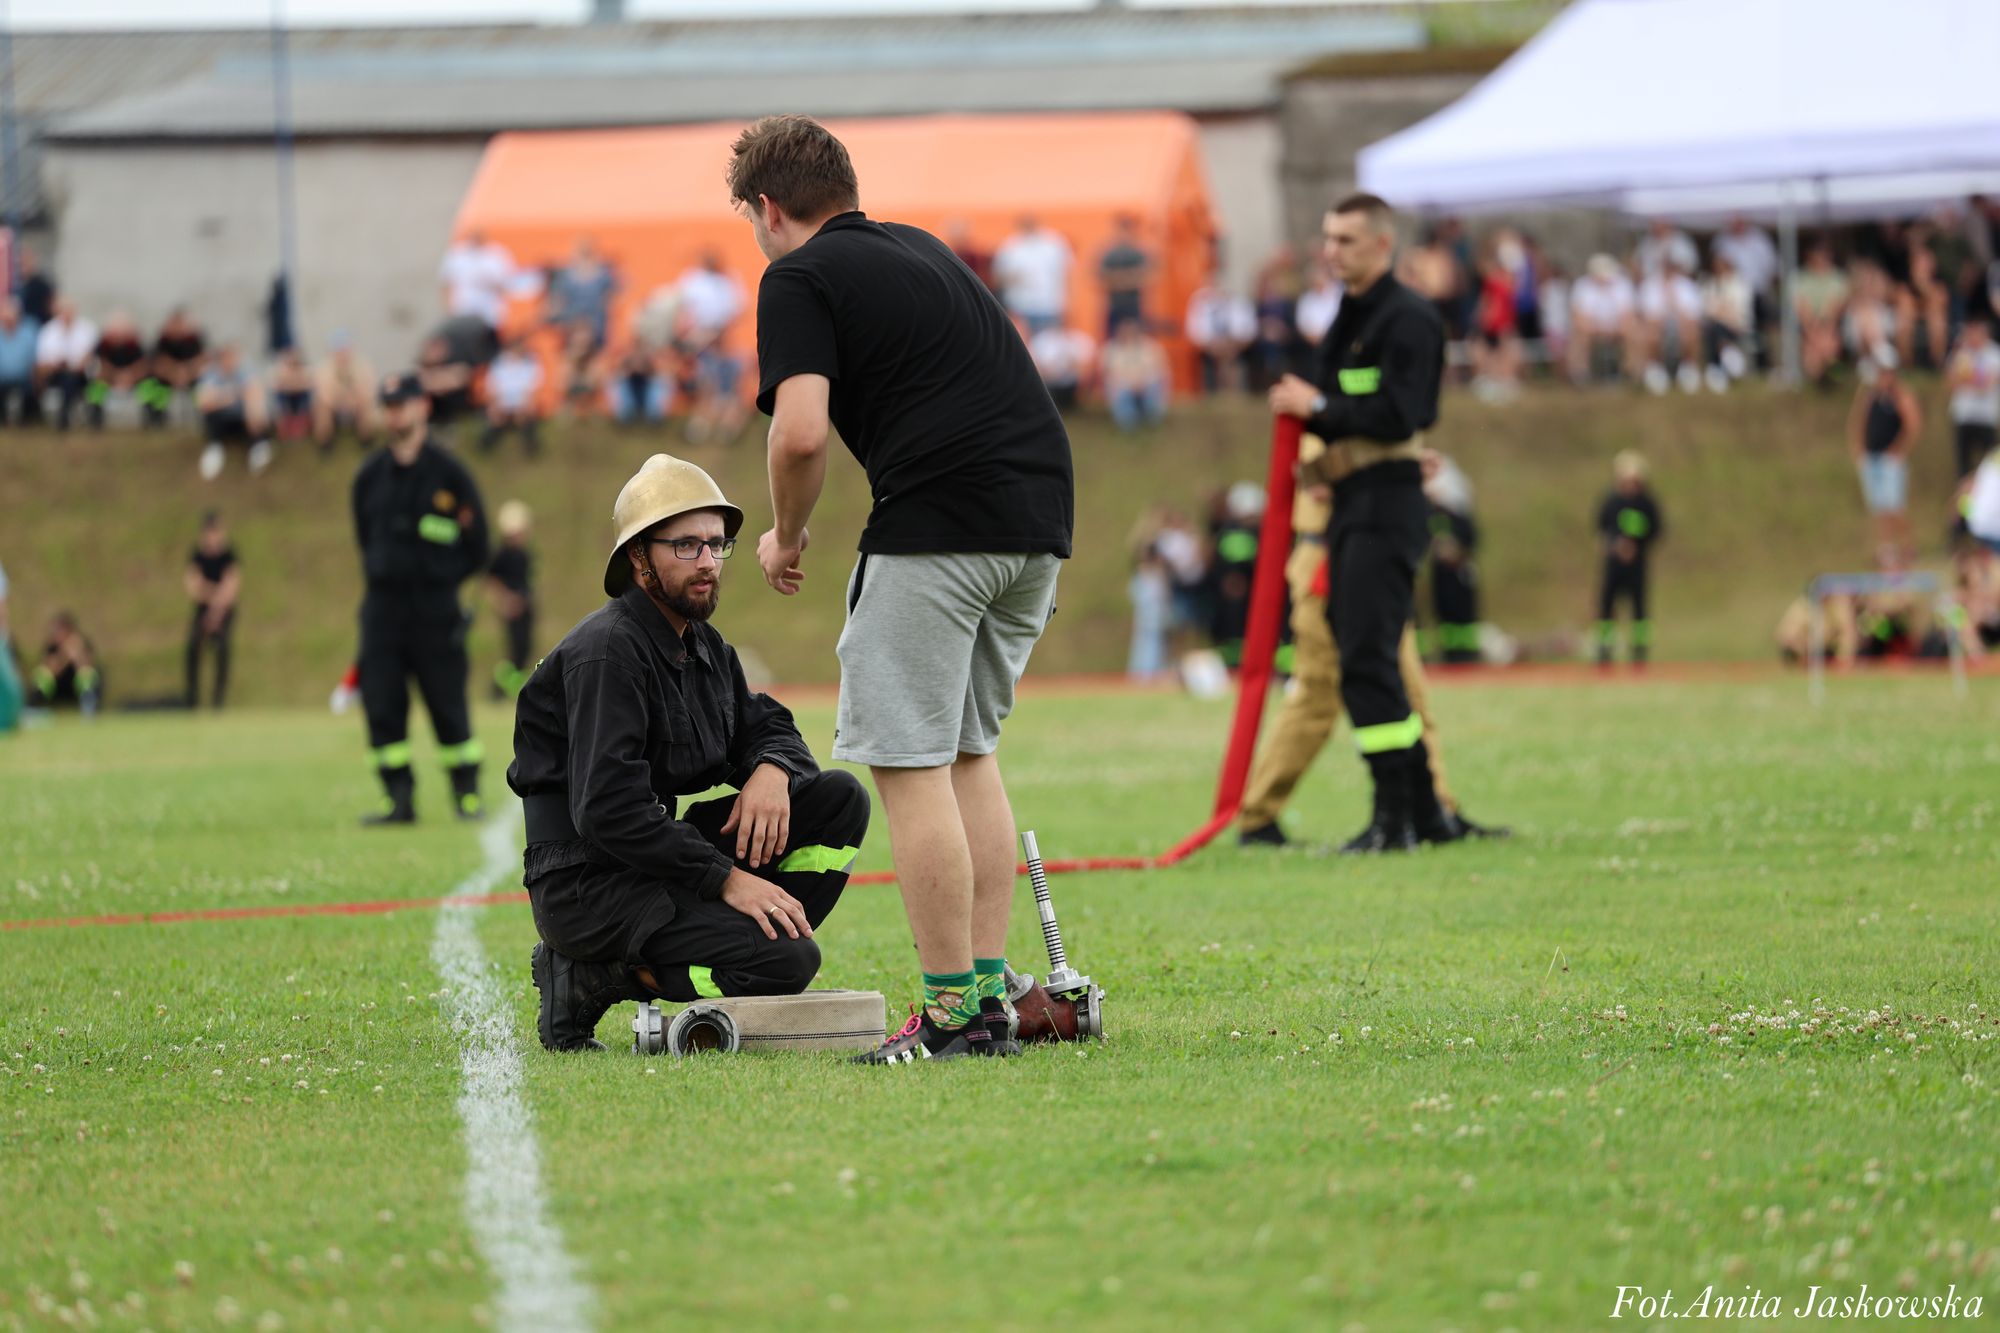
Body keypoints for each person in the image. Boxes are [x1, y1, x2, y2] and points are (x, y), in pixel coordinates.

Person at [735, 114, 1073, 1062]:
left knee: (912, 762)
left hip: (941, 525)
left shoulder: (796, 274)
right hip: (1040, 520)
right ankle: (992, 986)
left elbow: (799, 433)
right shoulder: (922, 248)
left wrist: (786, 536)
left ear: (768, 208)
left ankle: (957, 1011)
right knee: (969, 751)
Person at [509, 453, 872, 1052]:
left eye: (716, 544)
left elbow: (771, 726)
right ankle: (594, 975)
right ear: (638, 558)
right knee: (787, 965)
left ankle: (758, 933)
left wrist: (771, 770)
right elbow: (607, 811)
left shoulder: (704, 648)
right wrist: (727, 879)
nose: (707, 562)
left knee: (837, 800)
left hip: (654, 860)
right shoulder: (608, 652)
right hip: (590, 888)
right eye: (686, 546)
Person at [1268, 192, 1450, 854]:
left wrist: (1317, 402)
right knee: (1371, 662)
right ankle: (1426, 814)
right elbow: (1341, 411)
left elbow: (1406, 410)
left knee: (1368, 663)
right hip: (1352, 506)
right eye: (1327, 237)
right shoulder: (1347, 316)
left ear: (1382, 244)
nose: (1331, 250)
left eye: (1345, 239)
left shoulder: (1410, 319)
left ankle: (1393, 817)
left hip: (1385, 509)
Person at [1234, 429, 1500, 848]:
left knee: (1408, 696)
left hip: (1370, 561)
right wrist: (1396, 471)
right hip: (1332, 564)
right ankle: (1257, 813)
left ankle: (1434, 809)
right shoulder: (1328, 410)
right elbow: (1317, 480)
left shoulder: (1348, 404)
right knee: (1319, 696)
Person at [350, 373, 491, 825]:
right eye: (389, 404)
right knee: (382, 705)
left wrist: (440, 579)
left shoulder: (450, 476)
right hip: (383, 611)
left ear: (423, 408)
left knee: (447, 703)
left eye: (403, 403)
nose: (395, 412)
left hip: (434, 610)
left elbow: (478, 546)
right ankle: (398, 799)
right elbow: (363, 541)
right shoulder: (369, 477)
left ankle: (466, 795)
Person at [1848, 351, 1920, 568]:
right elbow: (1858, 422)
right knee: (1880, 508)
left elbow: (1913, 425)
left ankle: (1907, 547)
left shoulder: (1901, 396)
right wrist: (1859, 450)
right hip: (1872, 458)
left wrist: (1898, 450)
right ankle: (1887, 549)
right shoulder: (1871, 396)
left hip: (1890, 461)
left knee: (1895, 506)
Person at [1594, 451, 1664, 668]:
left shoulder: (1647, 504)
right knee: (1606, 609)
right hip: (1613, 565)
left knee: (1639, 612)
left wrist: (1637, 546)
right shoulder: (1611, 502)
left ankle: (1639, 656)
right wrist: (1615, 546)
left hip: (1637, 566)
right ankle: (1604, 655)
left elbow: (1656, 530)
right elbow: (1601, 528)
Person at [676, 250, 749, 444]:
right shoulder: (692, 280)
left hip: (718, 343)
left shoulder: (728, 281)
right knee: (707, 389)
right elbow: (684, 310)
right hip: (702, 345)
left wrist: (718, 330)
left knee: (728, 392)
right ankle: (702, 428)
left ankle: (725, 429)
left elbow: (738, 308)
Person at [1426, 455, 1482, 664]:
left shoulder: (1460, 517)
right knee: (1444, 614)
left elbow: (1472, 541)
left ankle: (1466, 656)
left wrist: (1457, 553)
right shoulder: (1433, 515)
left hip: (1459, 573)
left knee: (1463, 616)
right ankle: (1449, 655)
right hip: (1441, 574)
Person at [183, 512, 240, 709]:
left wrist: (216, 606)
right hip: (203, 609)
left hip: (224, 611)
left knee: (223, 649)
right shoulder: (198, 555)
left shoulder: (228, 555)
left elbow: (232, 584)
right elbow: (192, 585)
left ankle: (218, 700)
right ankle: (192, 698)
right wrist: (211, 598)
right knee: (192, 647)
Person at [195, 344, 273, 480]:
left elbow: (255, 392)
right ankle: (215, 449)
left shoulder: (246, 372)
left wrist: (221, 397)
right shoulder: (211, 374)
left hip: (243, 420)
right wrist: (231, 396)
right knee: (212, 416)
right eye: (226, 358)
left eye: (233, 358)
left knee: (256, 412)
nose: (230, 362)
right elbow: (204, 402)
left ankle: (258, 447)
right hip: (221, 420)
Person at [486, 500, 536, 698]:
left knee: (525, 649)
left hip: (526, 608)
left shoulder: (524, 554)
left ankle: (513, 689)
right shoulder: (502, 554)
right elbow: (490, 580)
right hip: (512, 610)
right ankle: (499, 688)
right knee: (516, 651)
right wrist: (505, 600)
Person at [992, 214, 1074, 334]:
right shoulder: (1010, 246)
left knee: (1047, 346)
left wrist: (1068, 304)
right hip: (1020, 305)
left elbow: (1067, 274)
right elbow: (998, 277)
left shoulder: (1054, 243)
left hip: (1049, 305)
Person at [438, 228, 518, 343]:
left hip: (490, 310)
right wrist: (448, 308)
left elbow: (508, 283)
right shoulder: (458, 253)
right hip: (464, 307)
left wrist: (490, 282)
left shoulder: (497, 254)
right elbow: (446, 282)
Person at [1945, 318, 2000, 480]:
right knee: (1963, 466)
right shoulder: (1960, 352)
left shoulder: (1995, 353)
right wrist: (1971, 380)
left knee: (1992, 464)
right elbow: (1951, 383)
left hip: (1986, 418)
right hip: (1963, 417)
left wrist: (1966, 379)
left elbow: (1987, 385)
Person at [1568, 255, 1635, 384]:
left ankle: (1631, 372)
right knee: (1579, 336)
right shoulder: (1582, 286)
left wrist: (1616, 329)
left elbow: (1627, 315)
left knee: (1634, 333)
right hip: (1591, 330)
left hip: (1618, 329)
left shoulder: (1623, 284)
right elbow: (1579, 317)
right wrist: (1597, 330)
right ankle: (1580, 375)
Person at [34, 299, 97, 433]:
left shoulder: (87, 329)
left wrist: (80, 364)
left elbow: (91, 356)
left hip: (82, 375)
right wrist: (54, 365)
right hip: (56, 375)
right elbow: (41, 361)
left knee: (73, 380)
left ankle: (66, 417)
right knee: (67, 380)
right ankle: (65, 417)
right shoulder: (48, 331)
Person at [1794, 241, 1851, 385]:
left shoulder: (1837, 278)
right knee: (1813, 359)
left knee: (1828, 345)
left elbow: (1835, 309)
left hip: (1830, 328)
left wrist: (1827, 331)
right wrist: (1813, 334)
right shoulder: (1800, 278)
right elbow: (1802, 309)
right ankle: (1825, 377)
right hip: (1809, 329)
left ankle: (1832, 377)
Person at [546, 237, 618, 349]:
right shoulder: (565, 275)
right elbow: (557, 300)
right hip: (571, 327)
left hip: (597, 327)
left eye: (587, 252)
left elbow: (612, 297)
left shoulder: (603, 274)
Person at [479, 337, 545, 457]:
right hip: (502, 401)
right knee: (496, 415)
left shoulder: (530, 365)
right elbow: (493, 389)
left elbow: (532, 390)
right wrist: (496, 403)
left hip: (522, 402)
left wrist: (524, 403)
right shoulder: (498, 365)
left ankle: (531, 447)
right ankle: (485, 446)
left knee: (524, 414)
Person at [1101, 317, 1169, 431]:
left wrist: (1142, 382)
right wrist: (1130, 384)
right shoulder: (1110, 349)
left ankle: (1152, 418)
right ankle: (1129, 422)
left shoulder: (1151, 347)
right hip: (1123, 386)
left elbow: (1161, 369)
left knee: (1155, 385)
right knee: (1119, 391)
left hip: (1146, 384)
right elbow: (1108, 374)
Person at [313, 335, 378, 450]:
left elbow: (369, 392)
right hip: (334, 407)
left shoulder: (362, 366)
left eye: (345, 350)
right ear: (332, 352)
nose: (342, 355)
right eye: (339, 351)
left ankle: (366, 439)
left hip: (355, 405)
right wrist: (343, 397)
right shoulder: (324, 368)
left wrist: (351, 399)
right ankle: (325, 442)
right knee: (321, 407)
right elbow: (325, 397)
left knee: (366, 404)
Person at [32, 611, 102, 716]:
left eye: (59, 630)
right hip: (58, 687)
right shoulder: (52, 647)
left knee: (87, 674)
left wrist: (77, 655)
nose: (55, 633)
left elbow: (89, 667)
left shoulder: (81, 643)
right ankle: (34, 707)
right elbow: (50, 669)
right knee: (42, 674)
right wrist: (64, 655)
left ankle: (89, 706)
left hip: (75, 688)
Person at [88, 312, 151, 429]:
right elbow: (100, 364)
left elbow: (142, 365)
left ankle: (151, 415)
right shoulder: (103, 344)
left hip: (132, 378)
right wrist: (115, 376)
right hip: (110, 377)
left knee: (148, 385)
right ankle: (95, 417)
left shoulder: (135, 344)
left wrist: (129, 376)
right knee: (96, 386)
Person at [1096, 213, 1153, 338]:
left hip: (1134, 305)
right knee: (1113, 342)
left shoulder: (1139, 252)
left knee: (1136, 341)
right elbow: (1099, 278)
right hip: (1114, 305)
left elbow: (1149, 276)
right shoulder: (1108, 253)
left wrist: (1117, 280)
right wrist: (1130, 278)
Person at [150, 308, 207, 426]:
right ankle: (158, 416)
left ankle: (203, 414)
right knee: (156, 385)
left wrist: (187, 373)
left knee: (201, 385)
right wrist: (174, 374)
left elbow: (202, 360)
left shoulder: (194, 339)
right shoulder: (163, 340)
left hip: (190, 375)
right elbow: (158, 363)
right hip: (168, 376)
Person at [1026, 320, 1094, 412]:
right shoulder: (1041, 340)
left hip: (1072, 382)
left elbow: (1085, 366)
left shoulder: (1079, 339)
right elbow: (1034, 366)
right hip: (1049, 381)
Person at [0, 298, 40, 427]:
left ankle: (26, 419)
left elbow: (34, 357)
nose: (8, 318)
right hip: (2, 377)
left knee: (29, 388)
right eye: (4, 315)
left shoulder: (29, 332)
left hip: (24, 377)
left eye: (11, 315)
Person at [268, 345, 317, 443]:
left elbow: (310, 383)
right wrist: (295, 383)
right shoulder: (280, 369)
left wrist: (290, 383)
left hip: (300, 399)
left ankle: (301, 423)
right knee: (280, 397)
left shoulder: (305, 368)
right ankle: (284, 425)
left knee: (306, 395)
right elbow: (275, 385)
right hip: (287, 399)